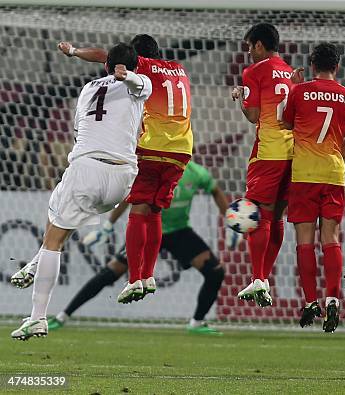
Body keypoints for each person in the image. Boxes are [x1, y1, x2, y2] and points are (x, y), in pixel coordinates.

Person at [10, 43, 152, 340]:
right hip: (123, 178)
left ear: (105, 67)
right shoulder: (140, 84)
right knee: (57, 204)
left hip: (87, 167)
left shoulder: (88, 89)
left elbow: (83, 128)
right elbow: (140, 84)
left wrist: (119, 74)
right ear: (135, 65)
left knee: (55, 238)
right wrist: (129, 78)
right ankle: (36, 263)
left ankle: (37, 317)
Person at [56, 34, 194, 303]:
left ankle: (134, 280)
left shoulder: (138, 66)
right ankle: (149, 275)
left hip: (152, 147)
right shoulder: (179, 68)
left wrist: (74, 51)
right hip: (182, 151)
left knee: (138, 212)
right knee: (154, 212)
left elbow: (103, 56)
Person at [45, 161, 232, 334]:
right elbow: (130, 198)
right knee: (111, 271)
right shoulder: (154, 169)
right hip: (148, 229)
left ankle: (197, 322)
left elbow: (215, 191)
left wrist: (229, 220)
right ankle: (63, 315)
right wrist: (108, 226)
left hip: (179, 232)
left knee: (215, 272)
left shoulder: (196, 173)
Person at [282, 43, 345, 333]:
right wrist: (334, 156)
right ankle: (332, 299)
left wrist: (294, 87)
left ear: (312, 65)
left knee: (305, 240)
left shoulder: (299, 92)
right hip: (333, 173)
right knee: (331, 237)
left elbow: (285, 122)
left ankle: (310, 301)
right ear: (337, 67)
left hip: (303, 173)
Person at [231, 23, 294, 307]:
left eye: (249, 46)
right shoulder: (289, 72)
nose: (248, 53)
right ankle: (263, 279)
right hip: (293, 152)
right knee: (276, 216)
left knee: (254, 213)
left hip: (269, 152)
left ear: (258, 45)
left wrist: (241, 99)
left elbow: (254, 115)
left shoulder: (253, 72)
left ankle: (257, 276)